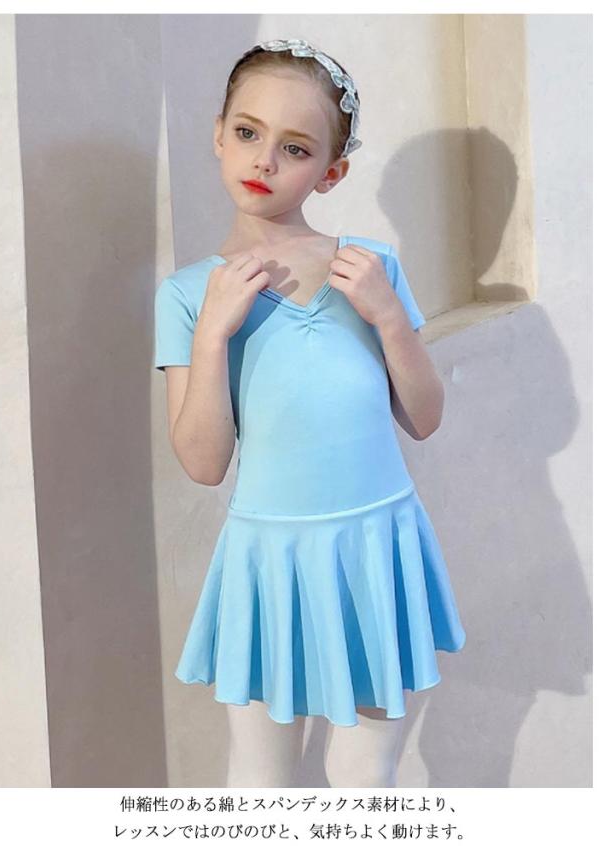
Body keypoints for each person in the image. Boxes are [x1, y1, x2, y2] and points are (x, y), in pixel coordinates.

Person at [153, 38, 467, 788]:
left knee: (366, 776)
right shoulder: (189, 295)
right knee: (261, 782)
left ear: (330, 171)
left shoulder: (372, 268)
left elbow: (424, 417)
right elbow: (202, 463)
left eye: (294, 148)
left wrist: (388, 317)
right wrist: (212, 334)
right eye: (247, 132)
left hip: (375, 549)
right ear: (218, 133)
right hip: (270, 561)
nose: (263, 160)